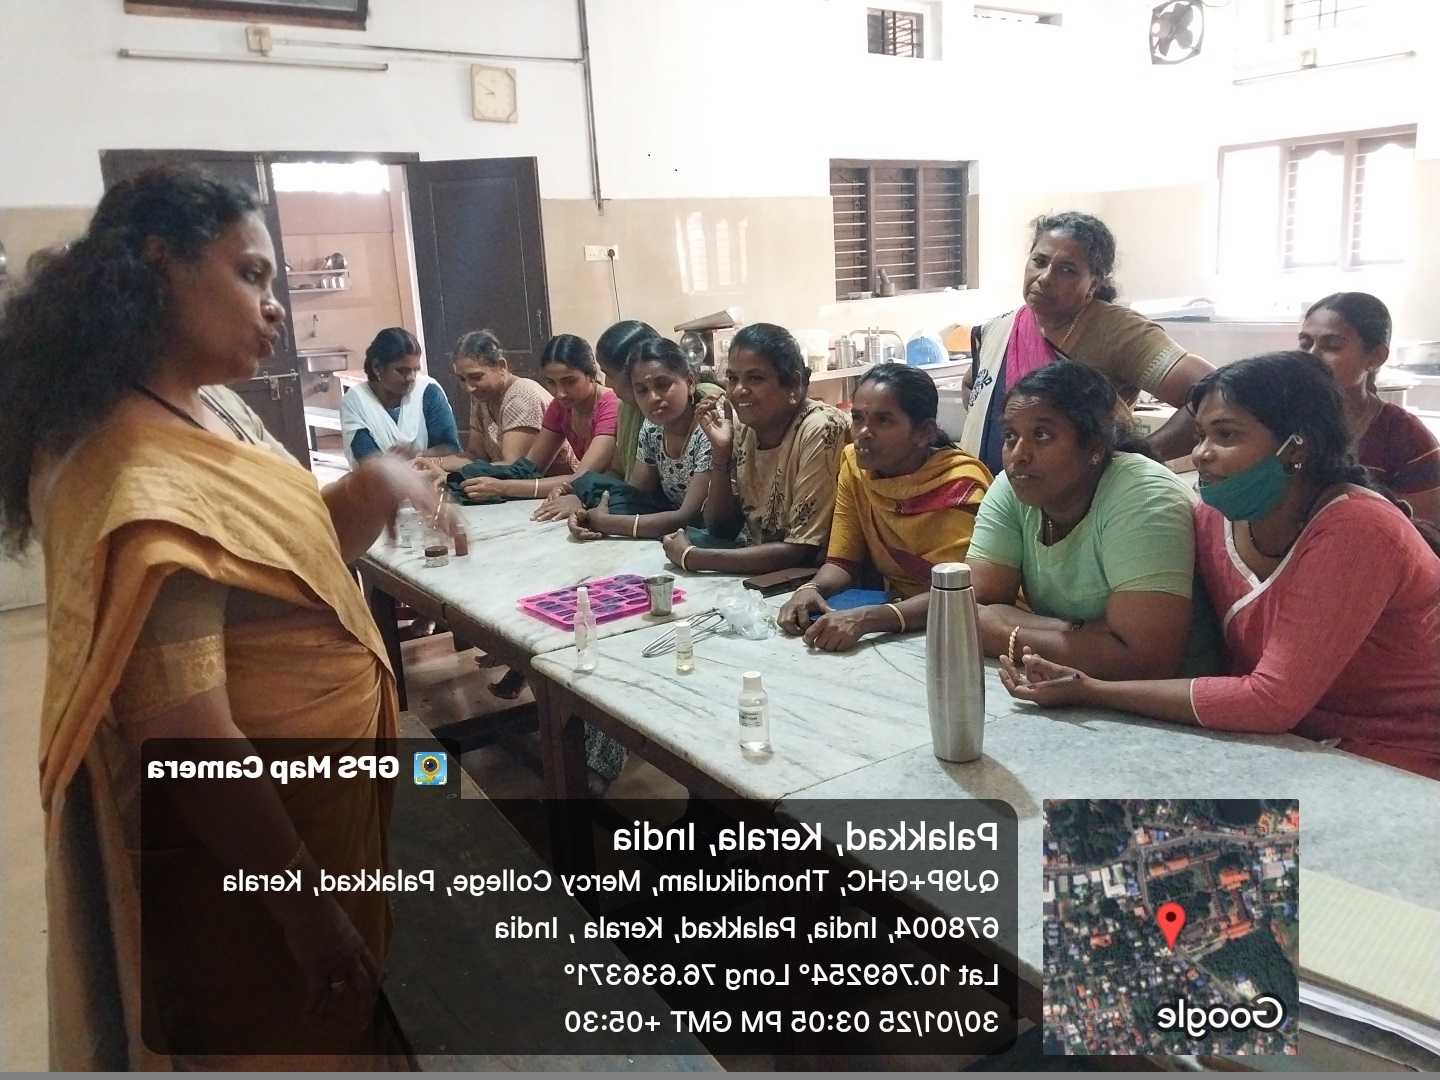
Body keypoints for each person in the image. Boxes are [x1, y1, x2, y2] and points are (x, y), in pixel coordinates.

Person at [0, 167, 439, 1066]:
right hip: (257, 874)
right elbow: (188, 741)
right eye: (250, 275)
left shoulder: (218, 409)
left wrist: (374, 483)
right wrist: (310, 918)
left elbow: (297, 553)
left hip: (323, 813)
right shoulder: (141, 480)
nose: (274, 306)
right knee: (289, 1039)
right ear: (160, 267)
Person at [1001, 351, 1440, 781]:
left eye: (1225, 436)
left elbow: (1269, 700)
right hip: (1283, 744)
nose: (1201, 454)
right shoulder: (1215, 518)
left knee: (1117, 825)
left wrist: (1092, 690)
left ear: (1296, 447)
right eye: (1200, 436)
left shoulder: (1356, 530)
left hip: (1397, 758)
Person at [967, 362, 1219, 680]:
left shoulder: (1143, 494)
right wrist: (1086, 633)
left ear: (1095, 448)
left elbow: (1148, 661)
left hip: (1177, 697)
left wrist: (1006, 633)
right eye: (1010, 435)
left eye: (1041, 435)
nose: (1018, 454)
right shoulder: (1014, 485)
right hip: (1073, 683)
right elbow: (975, 607)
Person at [961, 211, 1213, 474]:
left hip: (1086, 496)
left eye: (1067, 270)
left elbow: (1211, 393)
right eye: (1039, 261)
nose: (1045, 277)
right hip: (990, 490)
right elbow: (971, 385)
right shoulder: (1001, 329)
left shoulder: (1117, 331)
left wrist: (1135, 459)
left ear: (1093, 283)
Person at [777, 365, 992, 652]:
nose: (863, 433)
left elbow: (962, 591)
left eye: (883, 420)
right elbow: (843, 562)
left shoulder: (960, 486)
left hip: (968, 627)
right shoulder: (855, 467)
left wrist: (870, 619)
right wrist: (810, 590)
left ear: (924, 432)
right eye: (857, 418)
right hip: (903, 621)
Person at [661, 323, 849, 575]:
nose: (739, 390)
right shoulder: (746, 430)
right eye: (732, 379)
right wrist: (721, 456)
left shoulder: (822, 426)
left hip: (818, 581)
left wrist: (693, 557)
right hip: (768, 575)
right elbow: (722, 529)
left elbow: (802, 551)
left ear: (793, 384)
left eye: (755, 378)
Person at [1299, 292, 1440, 526]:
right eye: (1305, 344)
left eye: (1332, 346)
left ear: (1375, 357)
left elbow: (1426, 535)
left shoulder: (1406, 438)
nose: (1311, 356)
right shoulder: (1283, 419)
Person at [568, 337, 714, 540]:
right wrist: (587, 513)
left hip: (710, 530)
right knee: (591, 484)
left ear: (689, 382)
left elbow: (689, 515)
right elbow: (635, 496)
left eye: (663, 384)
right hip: (674, 523)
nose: (653, 398)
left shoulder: (709, 427)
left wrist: (607, 522)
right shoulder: (652, 427)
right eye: (642, 390)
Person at [459, 333, 616, 507]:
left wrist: (503, 488)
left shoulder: (610, 404)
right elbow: (530, 468)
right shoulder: (560, 407)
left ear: (591, 375)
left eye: (569, 381)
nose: (560, 393)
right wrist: (462, 477)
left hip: (614, 495)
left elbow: (582, 478)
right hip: (590, 492)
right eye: (551, 383)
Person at [436, 327, 576, 476]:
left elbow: (513, 468)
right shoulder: (482, 397)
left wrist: (450, 477)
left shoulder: (522, 396)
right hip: (513, 484)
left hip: (554, 484)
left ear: (501, 367)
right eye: (462, 379)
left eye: (476, 377)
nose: (469, 388)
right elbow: (476, 456)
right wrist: (432, 463)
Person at [340, 325, 460, 465]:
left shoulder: (428, 391)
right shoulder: (355, 401)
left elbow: (450, 448)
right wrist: (399, 467)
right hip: (380, 478)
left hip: (432, 475)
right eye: (402, 371)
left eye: (415, 370)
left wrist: (416, 456)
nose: (411, 377)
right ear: (377, 367)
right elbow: (369, 461)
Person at [594, 319, 663, 484]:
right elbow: (617, 471)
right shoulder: (626, 408)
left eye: (610, 375)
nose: (606, 384)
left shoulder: (665, 414)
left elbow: (640, 490)